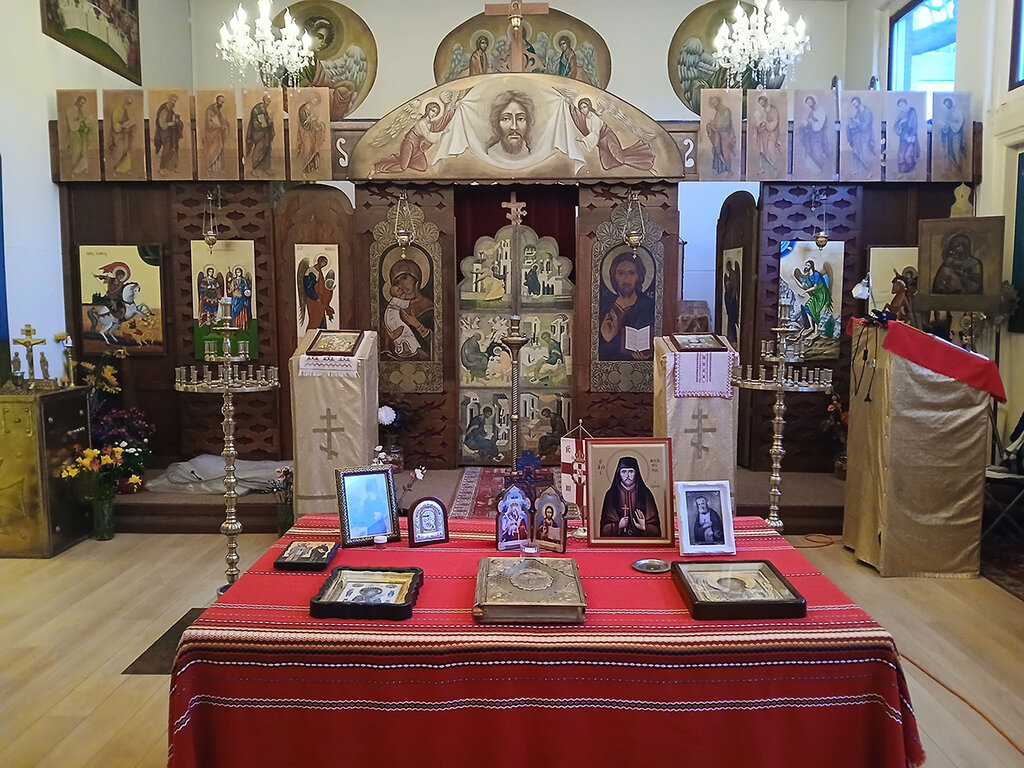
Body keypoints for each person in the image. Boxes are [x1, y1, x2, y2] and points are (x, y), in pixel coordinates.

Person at [566, 97, 654, 172]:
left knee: (620, 158)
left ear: (589, 106)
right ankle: (638, 156)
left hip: (608, 139)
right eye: (581, 108)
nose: (583, 110)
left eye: (584, 107)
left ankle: (647, 166)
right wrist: (569, 105)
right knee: (607, 164)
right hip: (601, 144)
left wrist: (583, 140)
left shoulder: (594, 118)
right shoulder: (585, 119)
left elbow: (595, 133)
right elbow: (577, 117)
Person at [599, 252, 655, 361]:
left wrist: (648, 354)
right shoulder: (606, 306)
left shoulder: (647, 305)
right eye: (621, 273)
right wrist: (606, 337)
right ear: (614, 276)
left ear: (639, 276)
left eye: (631, 273)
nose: (626, 280)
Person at [374, 101, 456, 173]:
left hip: (417, 147)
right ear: (428, 110)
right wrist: (443, 133)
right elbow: (429, 136)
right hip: (409, 144)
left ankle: (402, 158)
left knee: (422, 167)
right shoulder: (422, 122)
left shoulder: (430, 123)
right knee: (403, 168)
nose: (434, 114)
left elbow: (441, 122)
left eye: (436, 113)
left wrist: (453, 110)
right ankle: (380, 168)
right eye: (433, 111)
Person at [599, 456, 661, 537]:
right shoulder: (611, 494)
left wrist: (645, 527)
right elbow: (604, 530)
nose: (627, 475)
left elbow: (655, 530)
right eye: (624, 472)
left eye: (631, 471)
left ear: (636, 473)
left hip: (640, 541)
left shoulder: (645, 494)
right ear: (619, 474)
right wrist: (618, 526)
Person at [383, 258, 433, 358]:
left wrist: (418, 326)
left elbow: (438, 343)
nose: (402, 285)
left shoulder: (427, 305)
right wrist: (390, 337)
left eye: (404, 278)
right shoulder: (393, 308)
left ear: (415, 277)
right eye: (397, 282)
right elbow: (384, 348)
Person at [486, 90, 535, 161]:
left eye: (520, 119)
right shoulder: (490, 155)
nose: (514, 127)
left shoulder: (533, 155)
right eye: (506, 119)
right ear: (497, 123)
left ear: (528, 123)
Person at [793, 260, 832, 335]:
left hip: (821, 294)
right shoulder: (807, 276)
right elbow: (802, 286)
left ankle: (816, 331)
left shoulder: (816, 274)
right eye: (806, 265)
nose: (806, 266)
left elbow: (815, 287)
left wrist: (805, 291)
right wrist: (794, 278)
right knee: (807, 307)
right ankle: (811, 327)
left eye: (808, 265)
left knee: (816, 311)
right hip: (815, 294)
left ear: (811, 266)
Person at [300, 255, 336, 331]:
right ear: (319, 261)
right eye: (323, 263)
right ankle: (311, 335)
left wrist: (329, 289)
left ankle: (320, 336)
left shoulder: (319, 272)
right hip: (313, 301)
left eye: (325, 264)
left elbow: (321, 286)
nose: (323, 266)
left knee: (321, 320)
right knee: (315, 320)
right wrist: (316, 298)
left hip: (319, 302)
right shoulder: (311, 272)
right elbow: (309, 288)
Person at [295, 92, 327, 175]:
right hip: (305, 132)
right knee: (308, 149)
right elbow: (304, 124)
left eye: (317, 101)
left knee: (314, 149)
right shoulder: (302, 109)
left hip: (313, 132)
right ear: (311, 98)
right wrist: (312, 120)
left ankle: (312, 168)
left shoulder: (313, 108)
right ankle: (303, 169)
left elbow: (314, 119)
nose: (316, 102)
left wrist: (318, 124)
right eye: (315, 100)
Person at [154, 92, 185, 175]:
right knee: (167, 149)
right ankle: (161, 168)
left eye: (175, 101)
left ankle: (173, 167)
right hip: (164, 133)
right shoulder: (163, 109)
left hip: (172, 133)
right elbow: (161, 123)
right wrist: (170, 123)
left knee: (174, 148)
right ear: (169, 99)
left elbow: (173, 120)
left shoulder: (171, 111)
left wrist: (177, 122)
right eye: (173, 100)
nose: (173, 102)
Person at [705, 95, 735, 175]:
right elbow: (716, 122)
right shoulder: (717, 112)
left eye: (715, 102)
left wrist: (719, 127)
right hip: (718, 134)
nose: (714, 104)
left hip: (725, 134)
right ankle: (721, 169)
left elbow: (727, 123)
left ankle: (729, 169)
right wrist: (711, 124)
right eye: (712, 103)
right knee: (717, 151)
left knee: (725, 151)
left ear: (718, 101)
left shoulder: (725, 110)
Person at [245, 93, 274, 176]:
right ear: (264, 101)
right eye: (268, 101)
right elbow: (255, 122)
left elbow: (266, 119)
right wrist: (263, 125)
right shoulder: (256, 110)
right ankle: (254, 168)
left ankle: (265, 167)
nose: (268, 103)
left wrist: (269, 122)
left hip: (265, 132)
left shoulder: (264, 108)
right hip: (258, 133)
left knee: (267, 148)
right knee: (259, 149)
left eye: (269, 102)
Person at [107, 94, 137, 175]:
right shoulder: (117, 110)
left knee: (126, 151)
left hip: (125, 134)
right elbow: (115, 124)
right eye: (127, 103)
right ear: (124, 102)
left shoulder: (125, 111)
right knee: (119, 151)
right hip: (118, 135)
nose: (128, 105)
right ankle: (115, 169)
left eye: (130, 103)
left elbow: (127, 121)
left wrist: (131, 124)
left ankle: (126, 169)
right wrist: (122, 126)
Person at [752, 94, 781, 174]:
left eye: (762, 102)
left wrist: (766, 124)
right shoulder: (763, 111)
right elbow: (760, 121)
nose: (762, 104)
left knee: (770, 151)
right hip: (763, 133)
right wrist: (759, 126)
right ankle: (763, 168)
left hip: (771, 134)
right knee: (762, 151)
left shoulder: (773, 110)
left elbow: (775, 121)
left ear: (766, 101)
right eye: (760, 103)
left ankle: (775, 169)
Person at [799, 95, 830, 173]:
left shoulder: (820, 110)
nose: (809, 104)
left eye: (810, 102)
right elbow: (809, 121)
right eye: (807, 103)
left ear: (813, 101)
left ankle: (823, 168)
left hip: (818, 135)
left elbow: (820, 124)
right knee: (810, 151)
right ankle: (816, 170)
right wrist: (805, 124)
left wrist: (810, 123)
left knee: (817, 153)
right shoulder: (811, 111)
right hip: (811, 135)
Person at [845, 96, 875, 173]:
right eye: (853, 104)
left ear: (859, 102)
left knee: (864, 152)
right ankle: (857, 169)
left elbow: (866, 126)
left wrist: (858, 123)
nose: (854, 105)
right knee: (855, 150)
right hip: (859, 134)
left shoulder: (867, 111)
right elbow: (857, 122)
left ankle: (869, 171)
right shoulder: (858, 111)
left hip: (866, 134)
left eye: (855, 103)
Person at [203, 94, 229, 174]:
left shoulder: (217, 110)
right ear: (217, 101)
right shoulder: (209, 110)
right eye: (221, 102)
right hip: (211, 133)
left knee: (220, 148)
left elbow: (220, 119)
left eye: (223, 102)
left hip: (218, 133)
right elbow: (208, 123)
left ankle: (219, 168)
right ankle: (209, 168)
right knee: (212, 150)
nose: (222, 104)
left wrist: (224, 123)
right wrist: (218, 125)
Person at [939, 96, 966, 174]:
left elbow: (959, 122)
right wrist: (945, 126)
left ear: (951, 103)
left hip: (956, 134)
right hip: (949, 134)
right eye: (946, 104)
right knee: (950, 151)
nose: (947, 105)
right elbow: (946, 123)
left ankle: (959, 168)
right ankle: (953, 168)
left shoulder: (957, 111)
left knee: (956, 150)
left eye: (948, 104)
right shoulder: (948, 112)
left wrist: (951, 124)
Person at [893, 96, 920, 175]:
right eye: (900, 106)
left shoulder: (911, 111)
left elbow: (914, 124)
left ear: (906, 104)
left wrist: (911, 136)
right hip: (903, 137)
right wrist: (900, 123)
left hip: (911, 136)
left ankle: (912, 172)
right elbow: (895, 127)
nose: (902, 107)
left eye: (903, 105)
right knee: (900, 155)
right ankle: (903, 174)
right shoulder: (900, 114)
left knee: (908, 155)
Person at [66, 94, 92, 176]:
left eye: (83, 103)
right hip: (74, 133)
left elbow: (83, 121)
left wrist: (86, 124)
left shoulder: (81, 110)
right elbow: (72, 123)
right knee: (76, 151)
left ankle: (83, 168)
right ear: (78, 101)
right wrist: (80, 121)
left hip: (82, 134)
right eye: (81, 102)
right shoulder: (71, 110)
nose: (82, 105)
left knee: (84, 151)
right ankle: (73, 171)